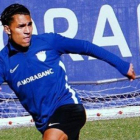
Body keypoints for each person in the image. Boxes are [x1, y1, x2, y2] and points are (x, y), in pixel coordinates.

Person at [0, 3, 135, 140]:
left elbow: (85, 47)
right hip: (44, 122)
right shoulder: (3, 61)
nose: (27, 30)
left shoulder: (49, 41)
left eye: (29, 24)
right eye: (21, 26)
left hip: (68, 106)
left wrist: (121, 65)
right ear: (7, 29)